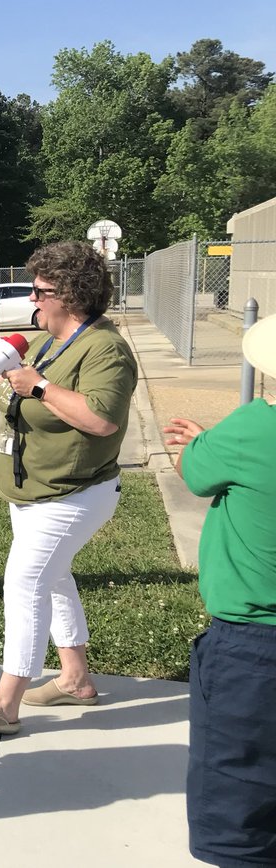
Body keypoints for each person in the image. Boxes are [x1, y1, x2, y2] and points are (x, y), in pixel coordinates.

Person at [0, 241, 137, 734]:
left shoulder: (105, 349)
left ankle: (5, 703)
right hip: (36, 490)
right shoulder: (54, 342)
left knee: (26, 581)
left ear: (71, 295)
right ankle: (75, 679)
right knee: (52, 577)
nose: (32, 299)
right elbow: (6, 389)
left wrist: (44, 388)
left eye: (39, 290)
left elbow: (101, 419)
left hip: (73, 493)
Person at [164, 314, 276, 867]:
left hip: (254, 645)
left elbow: (197, 473)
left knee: (238, 791)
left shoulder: (254, 426)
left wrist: (199, 445)